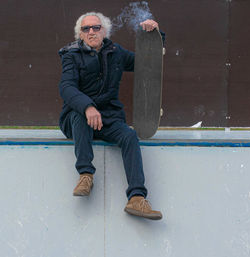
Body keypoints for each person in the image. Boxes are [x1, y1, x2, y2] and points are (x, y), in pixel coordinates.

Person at [58, 12, 163, 220]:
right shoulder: (71, 55)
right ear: (80, 34)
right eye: (86, 29)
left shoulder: (116, 52)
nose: (91, 32)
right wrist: (87, 106)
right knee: (80, 116)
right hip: (78, 118)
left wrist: (155, 35)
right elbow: (66, 87)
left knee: (129, 136)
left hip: (108, 118)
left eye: (95, 28)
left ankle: (136, 198)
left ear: (104, 31)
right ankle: (86, 175)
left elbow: (147, 62)